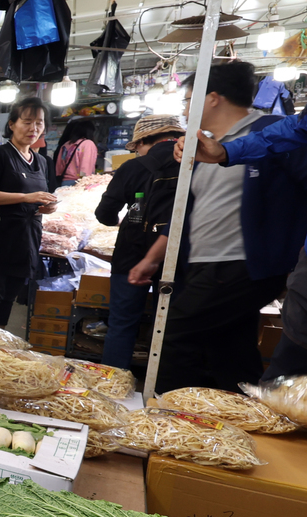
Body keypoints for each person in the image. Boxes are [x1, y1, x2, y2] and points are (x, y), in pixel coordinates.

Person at [141, 61, 307, 394]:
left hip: (241, 265)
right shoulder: (208, 146)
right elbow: (192, 207)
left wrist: (288, 257)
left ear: (212, 98)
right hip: (205, 263)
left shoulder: (271, 131)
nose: (185, 108)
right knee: (229, 351)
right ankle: (242, 425)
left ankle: (169, 424)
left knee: (171, 338)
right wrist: (155, 257)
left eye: (189, 98)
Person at [92, 115, 184, 369]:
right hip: (178, 256)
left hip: (132, 255)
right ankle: (162, 389)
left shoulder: (134, 168)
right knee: (167, 325)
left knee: (122, 324)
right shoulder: (192, 164)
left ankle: (115, 383)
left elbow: (104, 213)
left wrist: (118, 220)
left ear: (144, 141)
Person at [0, 96, 58, 328]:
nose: (33, 128)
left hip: (26, 240)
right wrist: (25, 197)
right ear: (12, 124)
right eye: (27, 121)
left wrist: (47, 207)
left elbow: (38, 199)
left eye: (39, 123)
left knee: (8, 298)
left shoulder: (41, 162)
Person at [52, 118, 99, 187]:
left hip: (64, 183)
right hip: (78, 183)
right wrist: (84, 182)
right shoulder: (88, 144)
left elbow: (59, 167)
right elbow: (85, 167)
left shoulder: (66, 145)